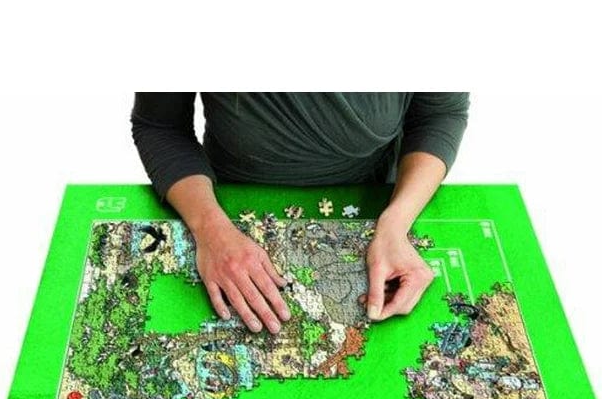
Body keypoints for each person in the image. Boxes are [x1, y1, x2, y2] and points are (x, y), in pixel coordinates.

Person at [130, 92, 469, 334]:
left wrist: (395, 224)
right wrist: (211, 229)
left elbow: (438, 115)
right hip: (222, 204)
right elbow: (160, 126)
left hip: (377, 196)